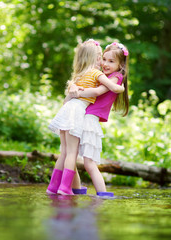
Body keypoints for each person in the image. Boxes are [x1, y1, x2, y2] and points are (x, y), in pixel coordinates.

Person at [47, 39, 125, 196]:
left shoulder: (79, 76)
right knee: (73, 155)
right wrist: (120, 88)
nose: (103, 63)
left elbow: (66, 100)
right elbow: (104, 90)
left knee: (66, 152)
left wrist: (74, 93)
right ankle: (66, 188)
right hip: (79, 113)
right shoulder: (96, 74)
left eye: (108, 60)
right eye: (101, 58)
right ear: (94, 58)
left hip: (68, 111)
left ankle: (55, 187)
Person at [69, 42, 130, 197]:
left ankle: (102, 193)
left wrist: (79, 91)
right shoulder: (102, 75)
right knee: (71, 157)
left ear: (121, 64)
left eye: (111, 61)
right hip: (83, 117)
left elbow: (97, 92)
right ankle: (76, 189)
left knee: (89, 163)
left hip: (90, 120)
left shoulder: (116, 77)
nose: (105, 63)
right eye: (104, 59)